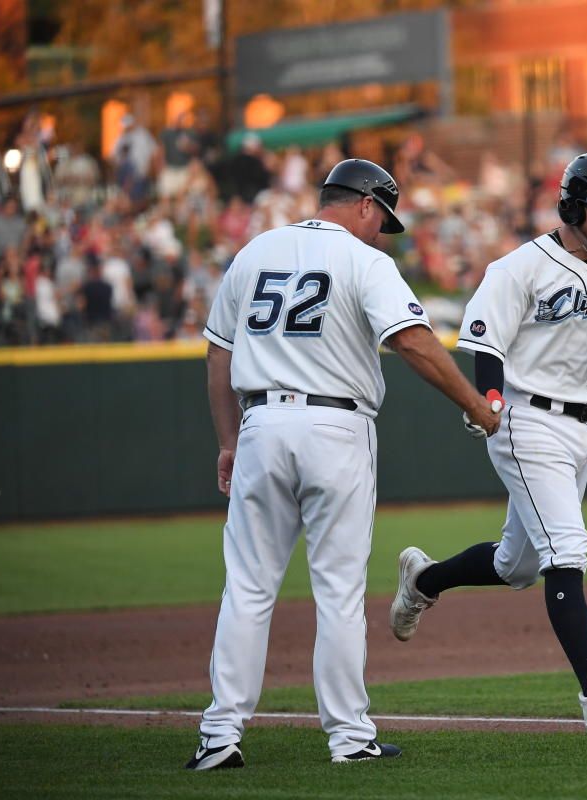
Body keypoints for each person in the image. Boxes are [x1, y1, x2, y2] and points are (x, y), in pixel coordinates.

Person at [186, 158, 500, 770]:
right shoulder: (365, 261)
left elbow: (217, 355)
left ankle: (219, 736)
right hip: (335, 426)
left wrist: (228, 440)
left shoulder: (256, 251)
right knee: (337, 591)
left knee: (248, 588)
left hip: (260, 424)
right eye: (383, 216)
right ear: (363, 203)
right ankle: (350, 739)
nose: (383, 229)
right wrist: (476, 406)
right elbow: (411, 340)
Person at [389, 152, 587, 733]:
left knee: (515, 565)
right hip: (527, 420)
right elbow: (485, 344)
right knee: (567, 547)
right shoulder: (520, 268)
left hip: (586, 425)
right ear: (571, 204)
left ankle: (423, 580)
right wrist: (489, 403)